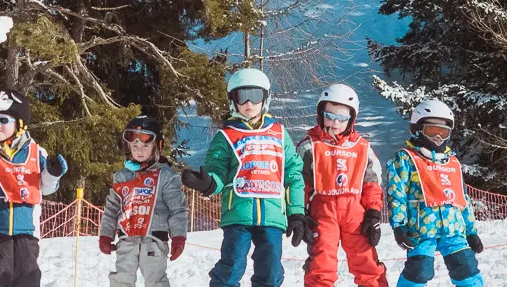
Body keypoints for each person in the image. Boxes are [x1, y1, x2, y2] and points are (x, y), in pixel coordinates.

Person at [181, 68, 305, 287]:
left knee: (271, 271)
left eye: (255, 96)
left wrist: (296, 213)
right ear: (233, 101)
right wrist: (209, 183)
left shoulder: (279, 133)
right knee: (231, 267)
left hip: (273, 216)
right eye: (242, 96)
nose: (249, 103)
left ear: (265, 98)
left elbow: (293, 175)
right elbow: (217, 171)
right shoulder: (226, 136)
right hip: (238, 215)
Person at [0, 89, 68, 287]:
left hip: (27, 230)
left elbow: (45, 188)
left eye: (3, 121)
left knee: (27, 277)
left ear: (19, 124)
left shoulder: (36, 151)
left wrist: (52, 174)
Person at [296, 84, 387, 287]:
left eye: (342, 118)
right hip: (323, 212)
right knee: (321, 265)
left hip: (355, 213)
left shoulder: (362, 147)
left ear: (351, 119)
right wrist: (300, 213)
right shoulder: (310, 146)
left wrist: (373, 213)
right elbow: (299, 184)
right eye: (330, 116)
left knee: (367, 262)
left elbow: (372, 183)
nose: (335, 123)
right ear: (320, 114)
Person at [387, 99, 484, 287]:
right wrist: (399, 225)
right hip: (421, 230)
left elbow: (462, 199)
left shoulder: (452, 162)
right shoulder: (406, 158)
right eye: (432, 132)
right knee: (420, 270)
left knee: (467, 268)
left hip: (453, 230)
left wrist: (471, 231)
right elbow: (396, 193)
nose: (438, 138)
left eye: (443, 132)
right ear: (417, 129)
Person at [98, 115, 188, 287]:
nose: (140, 150)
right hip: (126, 240)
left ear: (157, 147)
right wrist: (105, 234)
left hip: (154, 241)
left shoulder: (167, 176)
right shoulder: (121, 176)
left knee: (156, 281)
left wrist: (178, 236)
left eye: (146, 145)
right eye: (135, 146)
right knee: (121, 280)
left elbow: (177, 209)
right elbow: (111, 209)